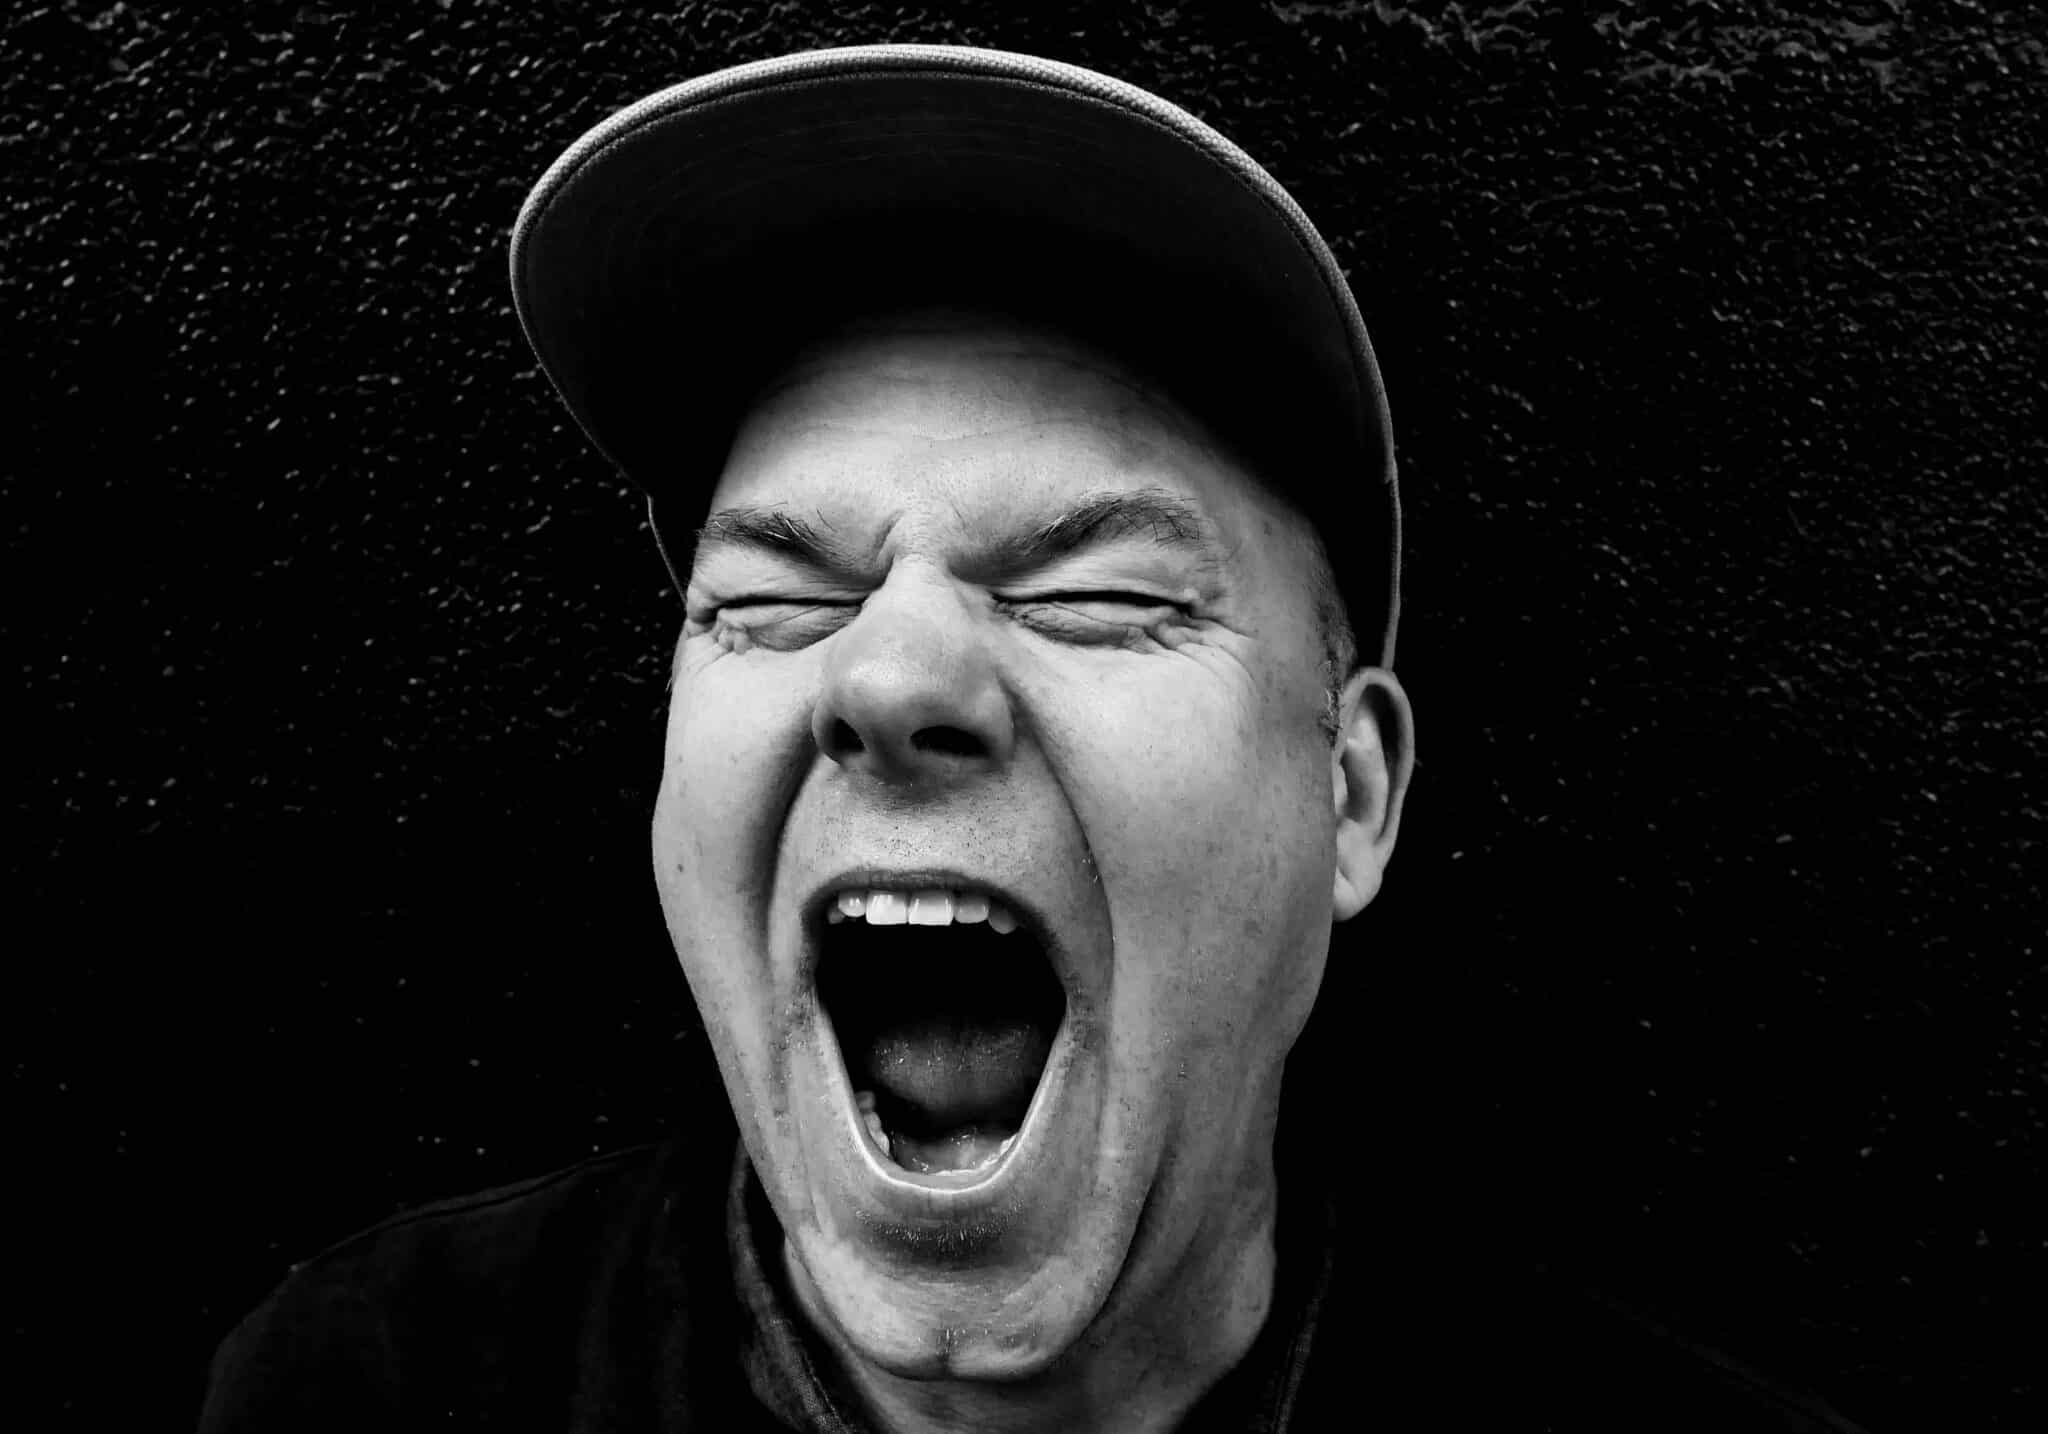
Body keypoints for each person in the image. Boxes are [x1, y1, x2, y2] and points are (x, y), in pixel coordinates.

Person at [198, 44, 1867, 1432]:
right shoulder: (363, 1386)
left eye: (1094, 593)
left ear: (1351, 794)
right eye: (771, 599)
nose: (889, 674)